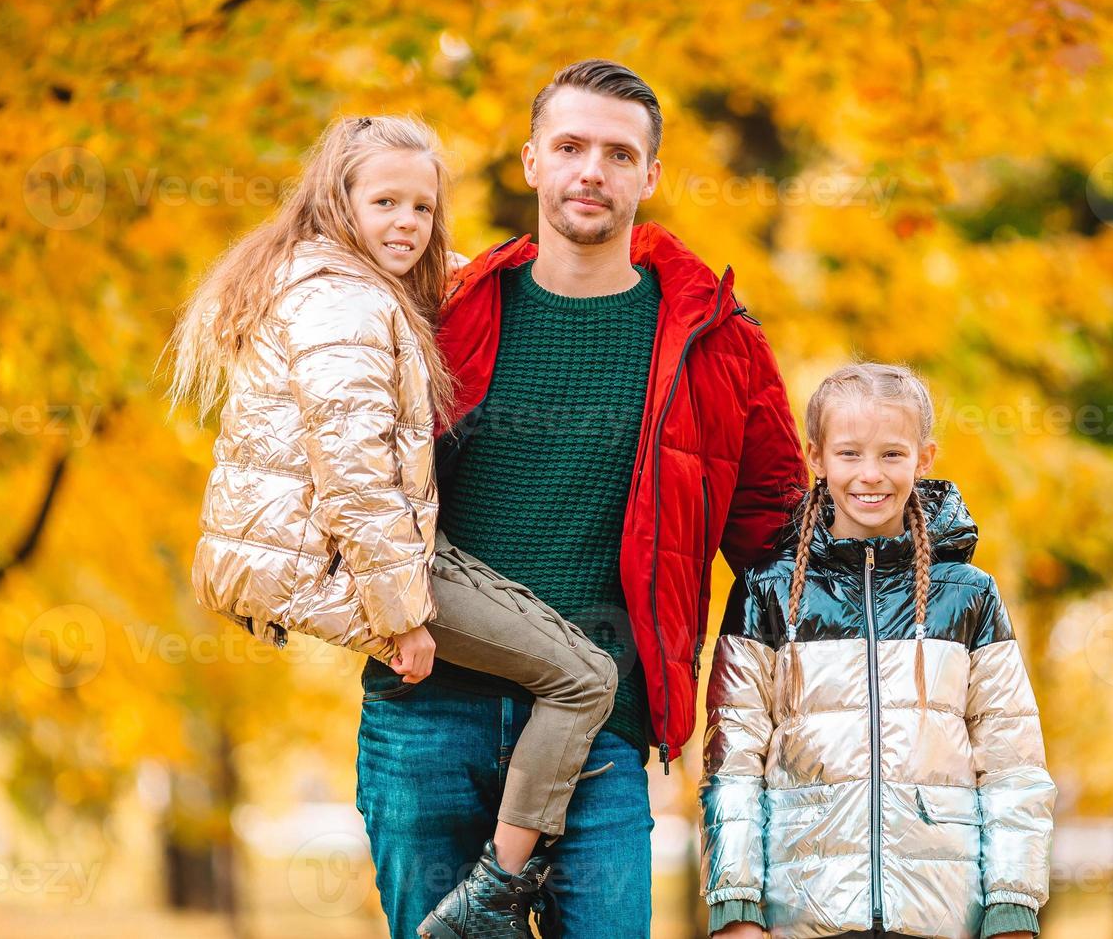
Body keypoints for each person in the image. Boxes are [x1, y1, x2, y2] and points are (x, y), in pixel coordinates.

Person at [355, 60, 807, 938]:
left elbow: (779, 543)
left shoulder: (717, 342)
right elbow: (343, 468)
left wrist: (907, 565)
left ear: (651, 176)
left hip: (601, 731)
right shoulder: (442, 311)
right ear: (531, 161)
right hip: (427, 713)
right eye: (569, 146)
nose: (591, 170)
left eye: (617, 152)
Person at [168, 114, 620, 938]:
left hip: (381, 552)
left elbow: (446, 272)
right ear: (338, 204)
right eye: (385, 203)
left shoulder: (336, 281)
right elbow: (356, 476)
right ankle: (493, 897)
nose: (406, 225)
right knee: (585, 678)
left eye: (421, 208)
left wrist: (510, 263)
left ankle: (491, 890)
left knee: (572, 668)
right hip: (357, 564)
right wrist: (400, 617)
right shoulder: (343, 303)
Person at [700, 363, 1055, 939]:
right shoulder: (766, 592)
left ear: (924, 458)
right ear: (815, 458)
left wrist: (1013, 904)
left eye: (892, 454)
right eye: (849, 454)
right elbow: (733, 764)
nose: (870, 475)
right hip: (803, 913)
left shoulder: (968, 595)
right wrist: (736, 905)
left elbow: (1013, 764)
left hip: (942, 915)